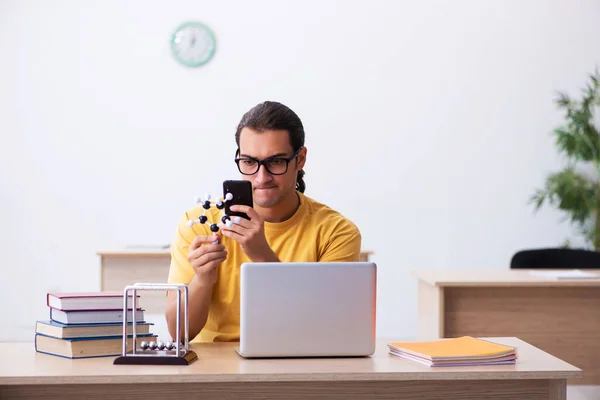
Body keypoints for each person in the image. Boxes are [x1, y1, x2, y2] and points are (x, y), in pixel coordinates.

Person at [165, 101, 362, 343]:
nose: (261, 177)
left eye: (276, 162)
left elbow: (326, 328)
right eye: (249, 162)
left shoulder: (336, 233)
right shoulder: (199, 224)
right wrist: (203, 279)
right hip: (212, 370)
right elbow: (179, 333)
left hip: (294, 366)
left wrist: (262, 257)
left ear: (300, 159)